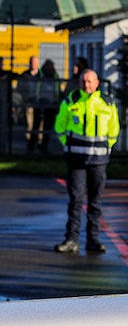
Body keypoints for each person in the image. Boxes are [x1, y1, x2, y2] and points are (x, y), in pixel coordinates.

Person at [53, 69, 120, 254]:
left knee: (95, 201)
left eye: (90, 81)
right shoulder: (71, 101)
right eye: (83, 81)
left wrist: (107, 147)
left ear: (97, 83)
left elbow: (114, 130)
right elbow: (60, 127)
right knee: (75, 200)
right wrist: (69, 145)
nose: (86, 85)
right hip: (76, 160)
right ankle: (71, 240)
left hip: (98, 160)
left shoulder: (107, 103)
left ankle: (93, 240)